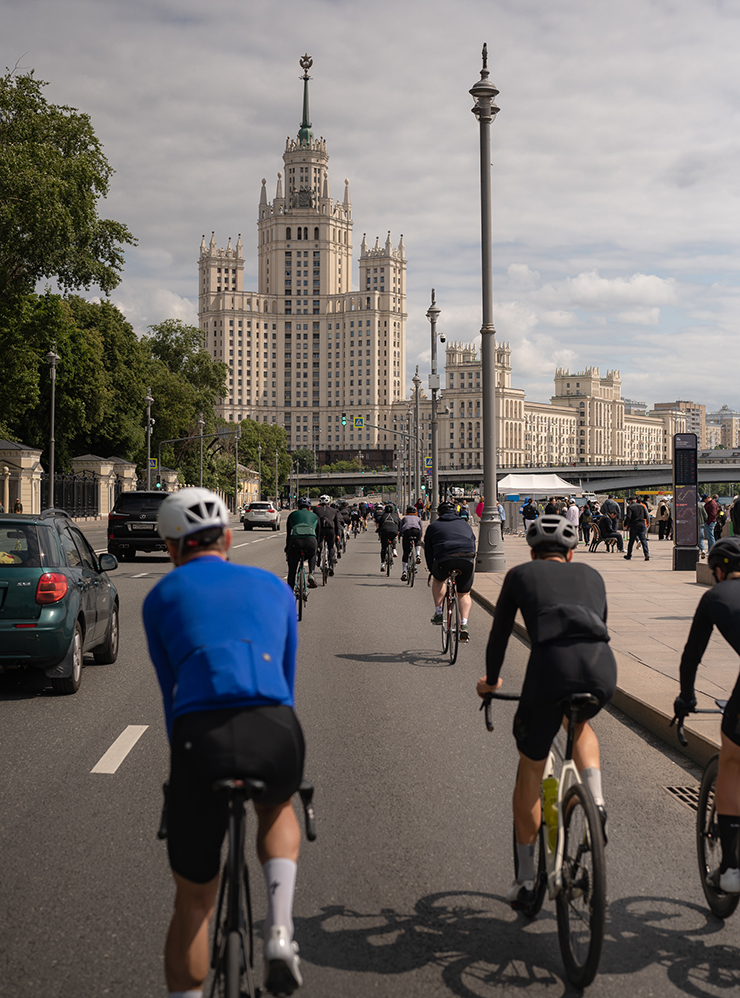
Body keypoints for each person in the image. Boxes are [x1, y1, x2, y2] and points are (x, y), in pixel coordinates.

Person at [142, 488, 306, 997]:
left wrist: (187, 768)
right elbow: (286, 677)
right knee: (277, 809)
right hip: (274, 726)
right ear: (229, 538)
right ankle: (280, 931)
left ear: (171, 548)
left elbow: (172, 695)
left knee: (193, 902)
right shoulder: (274, 588)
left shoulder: (159, 598)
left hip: (200, 738)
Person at [476, 515, 616, 909]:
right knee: (581, 722)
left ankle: (524, 881)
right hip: (601, 668)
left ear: (533, 553)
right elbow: (599, 624)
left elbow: (500, 635)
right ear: (571, 554)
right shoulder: (593, 575)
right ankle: (597, 802)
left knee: (531, 769)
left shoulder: (521, 576)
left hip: (550, 669)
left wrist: (491, 681)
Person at [675, 537, 740, 893]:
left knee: (731, 762)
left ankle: (730, 870)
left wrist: (686, 698)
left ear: (718, 570)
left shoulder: (714, 597)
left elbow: (691, 657)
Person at [424, 501, 477, 642]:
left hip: (444, 559)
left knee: (439, 580)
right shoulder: (465, 525)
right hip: (466, 559)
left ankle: (439, 612)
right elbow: (473, 545)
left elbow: (428, 552)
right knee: (464, 593)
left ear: (439, 514)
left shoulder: (433, 526)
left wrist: (432, 570)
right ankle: (464, 625)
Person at [285, 497, 319, 590]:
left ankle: (290, 595)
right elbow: (318, 534)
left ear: (298, 507)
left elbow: (289, 534)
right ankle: (311, 574)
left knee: (292, 571)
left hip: (295, 542)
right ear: (309, 508)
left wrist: (287, 548)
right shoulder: (315, 516)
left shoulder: (292, 515)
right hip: (310, 541)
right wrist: (318, 547)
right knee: (312, 554)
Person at [315, 495, 342, 576]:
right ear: (329, 502)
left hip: (320, 530)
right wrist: (337, 534)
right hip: (330, 530)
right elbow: (337, 524)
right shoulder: (334, 511)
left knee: (318, 545)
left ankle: (319, 558)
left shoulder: (316, 510)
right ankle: (330, 566)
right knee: (330, 547)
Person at [399, 505, 422, 581]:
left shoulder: (404, 518)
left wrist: (401, 535)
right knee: (417, 542)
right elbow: (421, 528)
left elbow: (401, 528)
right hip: (416, 531)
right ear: (415, 512)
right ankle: (418, 555)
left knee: (406, 552)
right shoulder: (418, 518)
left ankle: (404, 572)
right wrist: (420, 536)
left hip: (407, 531)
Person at [624, 497, 650, 561]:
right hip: (642, 525)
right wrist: (648, 522)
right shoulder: (641, 506)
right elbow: (646, 515)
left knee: (631, 541)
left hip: (634, 525)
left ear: (630, 501)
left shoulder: (630, 507)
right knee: (643, 540)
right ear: (635, 500)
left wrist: (625, 524)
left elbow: (629, 517)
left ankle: (629, 555)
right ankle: (646, 554)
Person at [376, 502, 400, 571]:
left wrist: (379, 533)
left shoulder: (383, 515)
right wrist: (398, 531)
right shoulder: (395, 515)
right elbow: (399, 523)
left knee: (383, 547)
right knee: (394, 537)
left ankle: (383, 563)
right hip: (394, 531)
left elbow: (380, 525)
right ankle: (394, 550)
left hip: (384, 531)